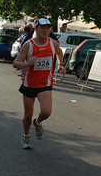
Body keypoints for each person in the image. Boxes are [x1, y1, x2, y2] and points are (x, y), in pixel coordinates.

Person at [12, 18, 65, 149]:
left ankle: (38, 122)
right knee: (27, 115)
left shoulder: (53, 43)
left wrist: (61, 65)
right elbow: (15, 63)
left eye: (48, 28)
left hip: (44, 84)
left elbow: (59, 52)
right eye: (42, 28)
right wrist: (27, 64)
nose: (45, 30)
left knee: (46, 112)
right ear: (36, 29)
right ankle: (26, 136)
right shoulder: (29, 45)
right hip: (29, 84)